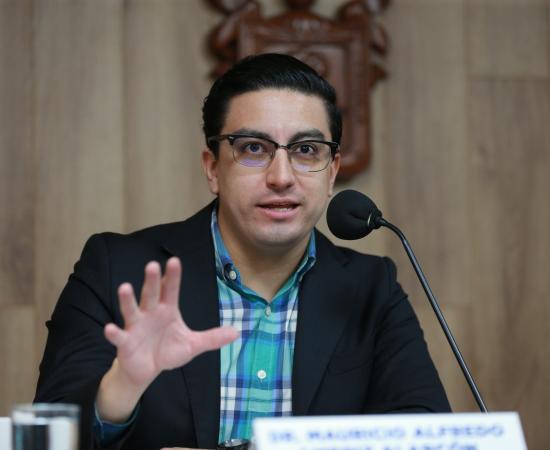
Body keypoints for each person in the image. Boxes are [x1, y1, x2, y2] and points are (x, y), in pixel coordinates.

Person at [35, 53, 450, 450]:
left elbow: (424, 435)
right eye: (253, 148)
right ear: (213, 168)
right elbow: (46, 435)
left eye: (306, 150)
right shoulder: (118, 269)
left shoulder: (371, 289)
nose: (281, 177)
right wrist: (120, 389)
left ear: (332, 172)